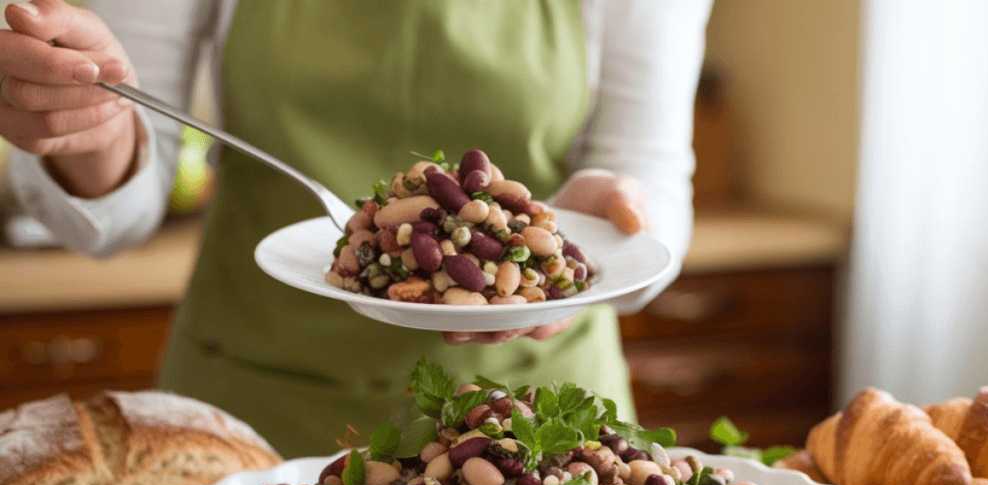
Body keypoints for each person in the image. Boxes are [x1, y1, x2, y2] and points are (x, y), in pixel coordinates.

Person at [1, 0, 713, 457]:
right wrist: (90, 126)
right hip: (257, 405)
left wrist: (610, 224)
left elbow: (648, 178)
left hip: (536, 411)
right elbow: (113, 219)